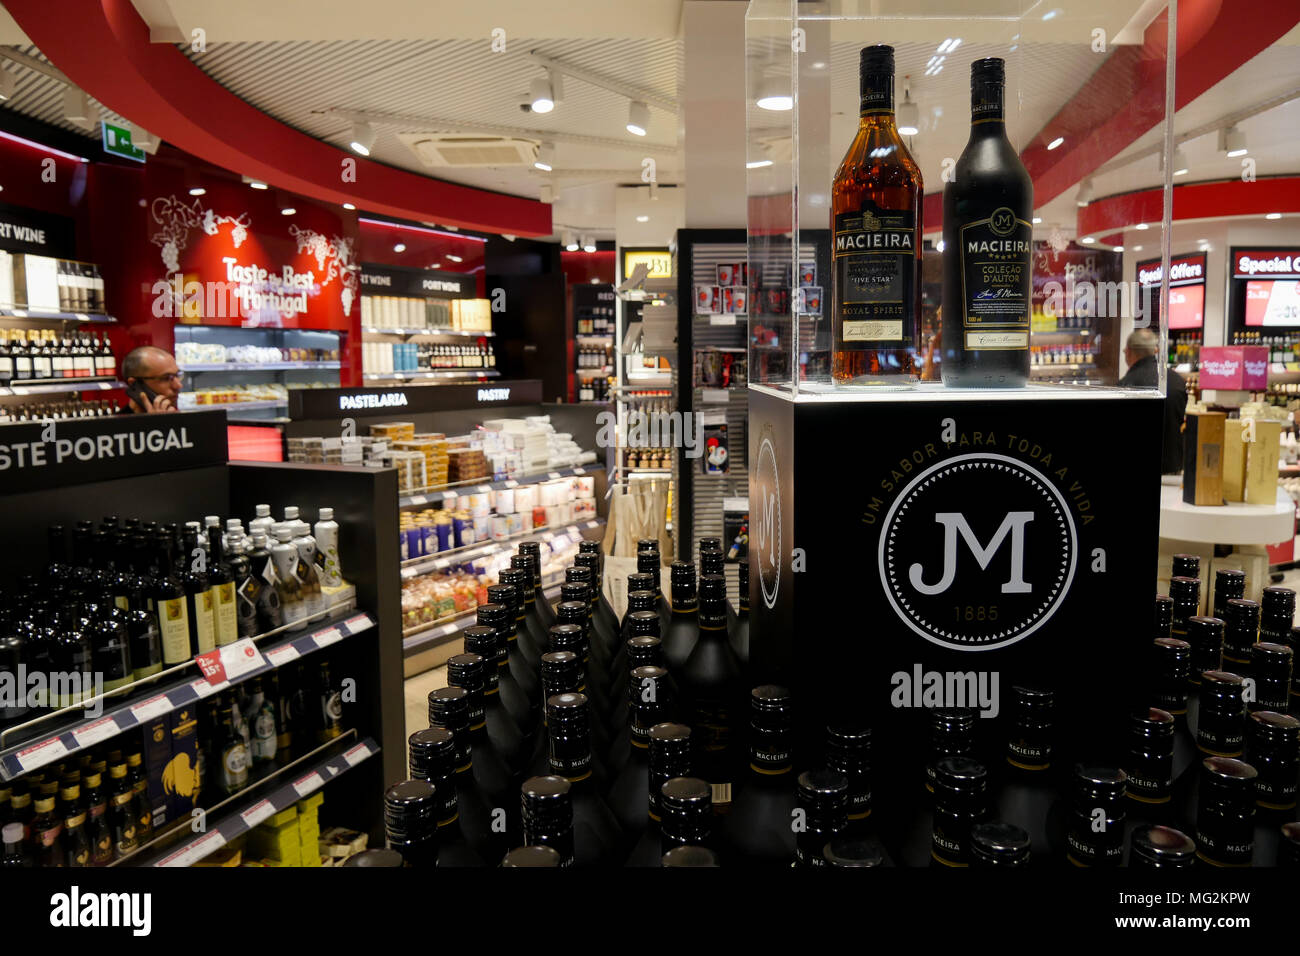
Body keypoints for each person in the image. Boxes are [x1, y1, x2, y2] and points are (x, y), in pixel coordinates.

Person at [1118, 328, 1186, 474]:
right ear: (1154, 351)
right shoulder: (1176, 379)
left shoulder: (1127, 384)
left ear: (1129, 352)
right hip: (1175, 468)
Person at [121, 346, 182, 413]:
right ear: (134, 384)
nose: (178, 385)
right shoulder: (115, 423)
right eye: (166, 378)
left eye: (177, 375)